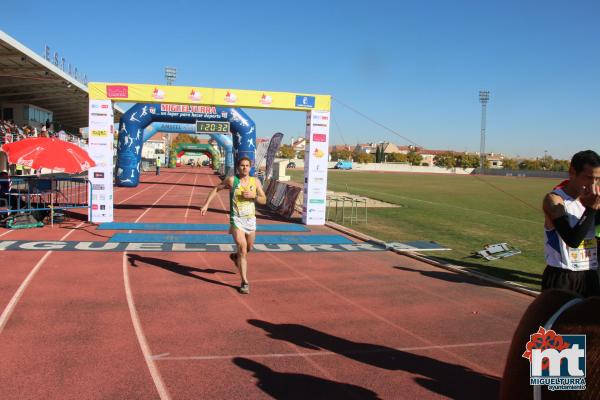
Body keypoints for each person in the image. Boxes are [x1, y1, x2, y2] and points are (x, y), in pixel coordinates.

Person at [200, 157, 267, 294]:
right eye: (242, 165)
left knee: (249, 247)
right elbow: (216, 189)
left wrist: (254, 196)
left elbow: (264, 200)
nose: (245, 168)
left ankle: (235, 257)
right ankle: (244, 282)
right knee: (243, 249)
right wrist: (206, 204)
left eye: (247, 165)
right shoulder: (232, 181)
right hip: (237, 219)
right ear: (238, 167)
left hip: (250, 220)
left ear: (250, 167)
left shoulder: (256, 182)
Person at [542, 150, 600, 297]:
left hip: (589, 274)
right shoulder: (554, 200)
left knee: (590, 320)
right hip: (562, 276)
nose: (593, 184)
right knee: (556, 320)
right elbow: (572, 240)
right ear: (572, 172)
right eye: (588, 177)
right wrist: (591, 209)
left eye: (597, 179)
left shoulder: (593, 199)